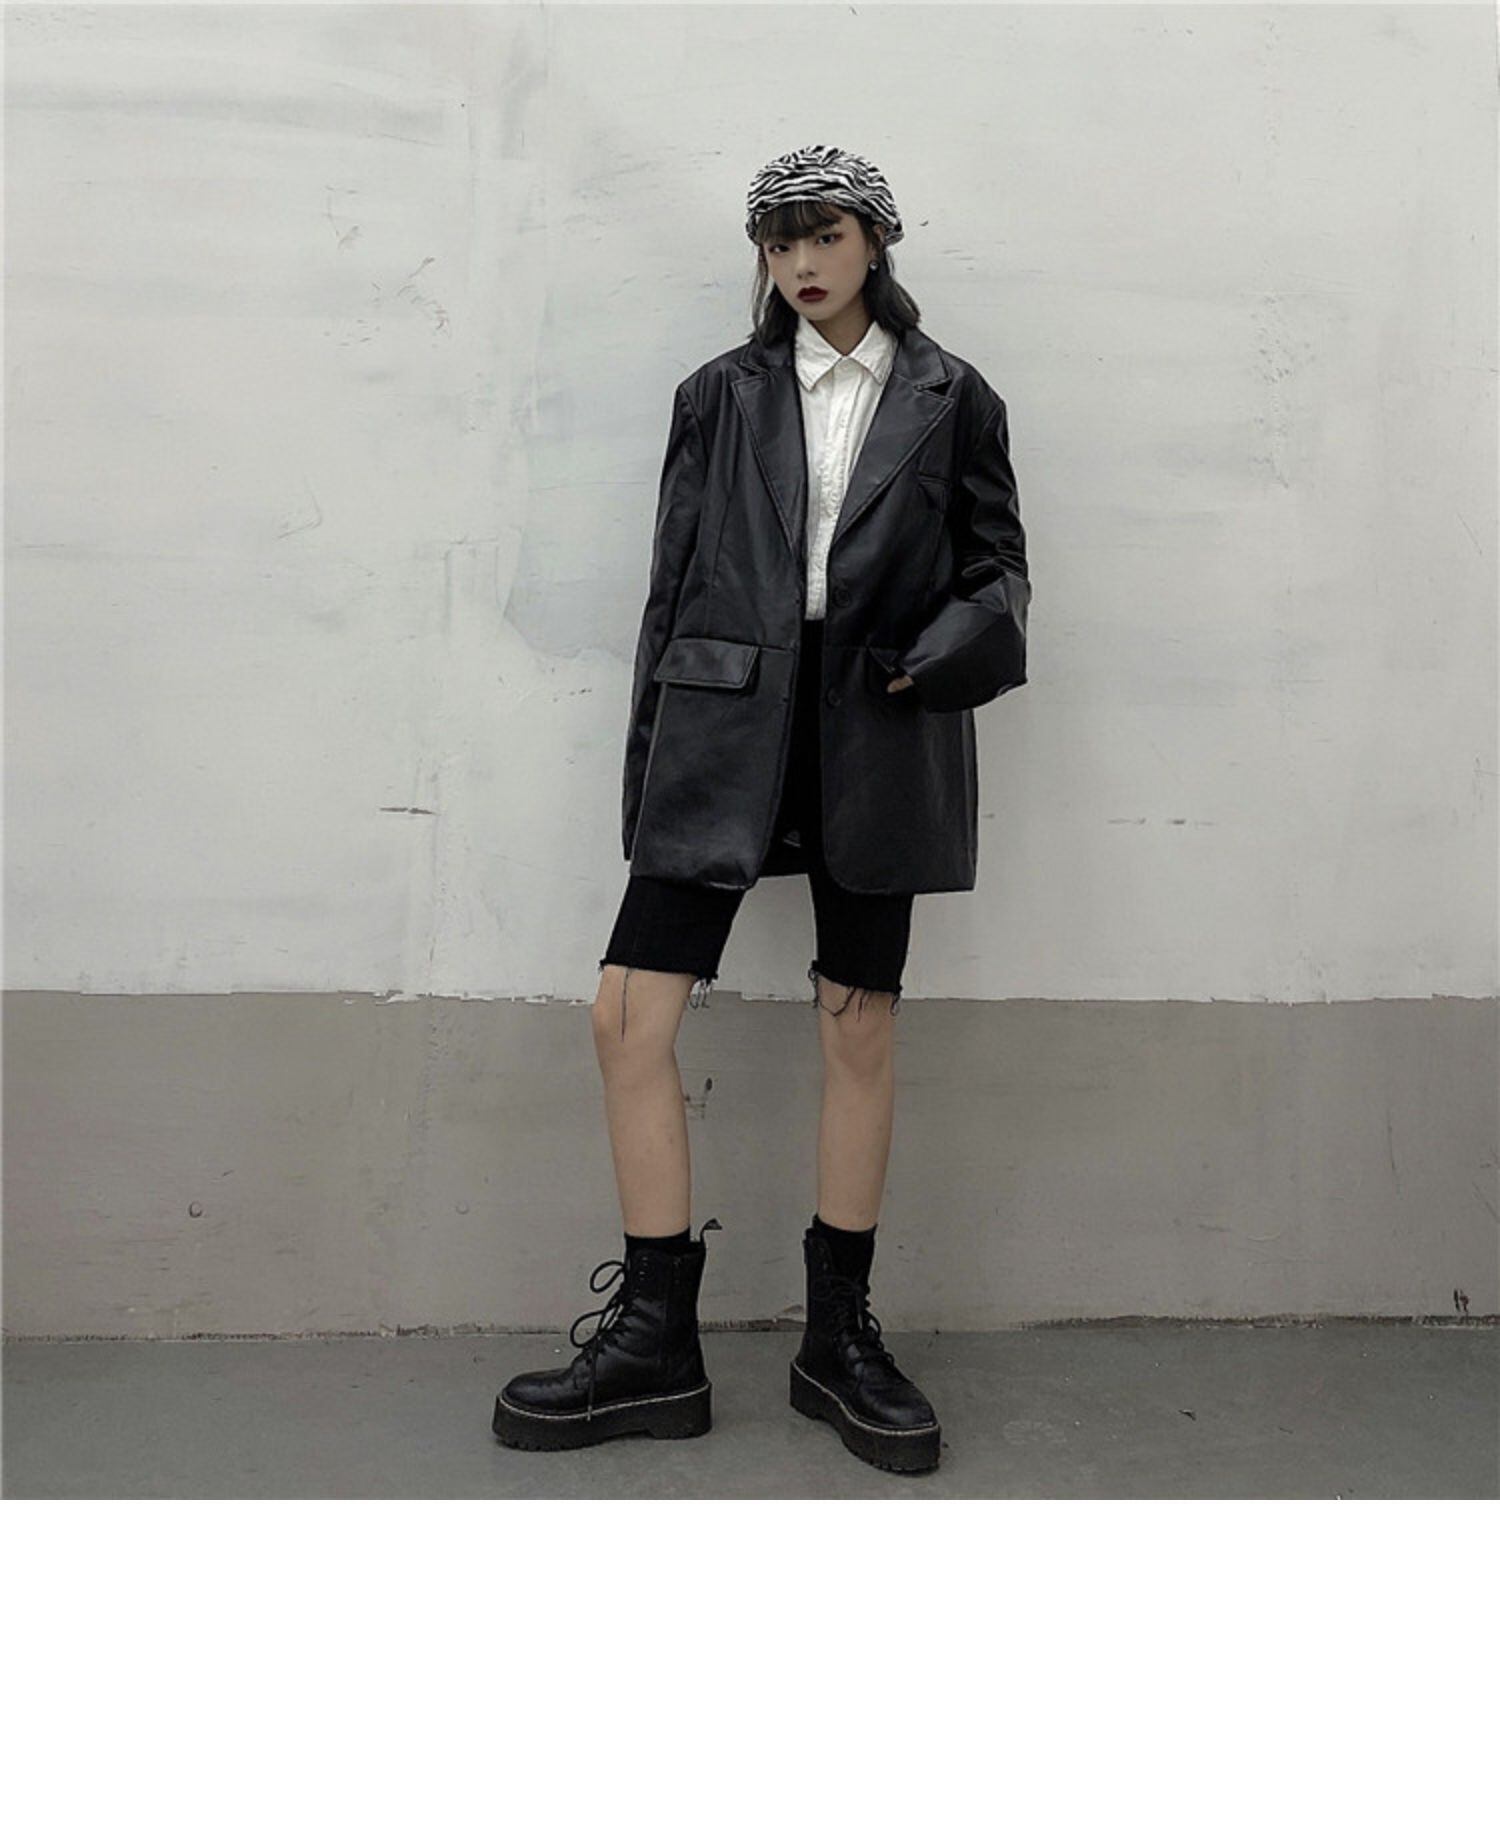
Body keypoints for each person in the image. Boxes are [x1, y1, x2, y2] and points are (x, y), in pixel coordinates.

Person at [493, 145, 1031, 1475]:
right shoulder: (717, 397)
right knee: (627, 1014)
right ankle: (653, 1345)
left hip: (878, 725)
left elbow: (1000, 571)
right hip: (724, 724)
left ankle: (836, 1338)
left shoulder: (954, 398)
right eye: (778, 241)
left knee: (859, 1022)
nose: (799, 263)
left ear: (876, 243)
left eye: (823, 235)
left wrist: (944, 652)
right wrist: (648, 775)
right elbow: (668, 591)